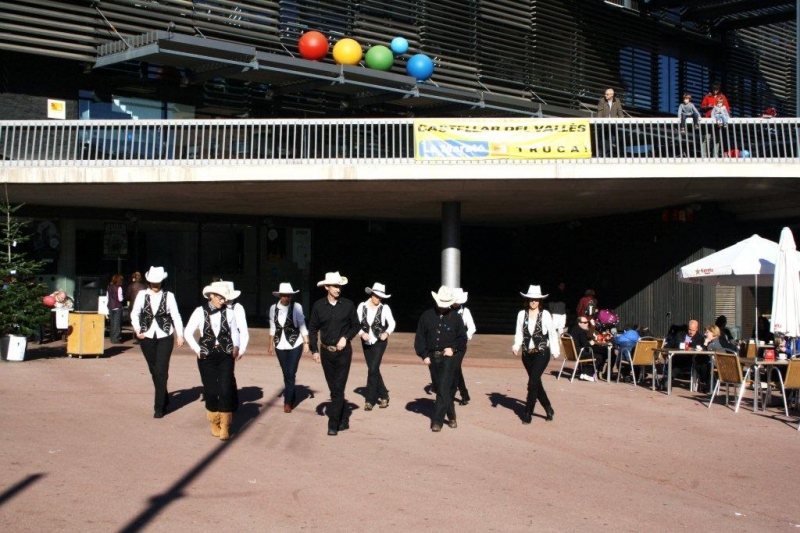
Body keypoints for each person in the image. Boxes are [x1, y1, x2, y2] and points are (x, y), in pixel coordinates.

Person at [184, 281, 241, 440]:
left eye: (225, 298)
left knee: (225, 387)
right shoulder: (199, 312)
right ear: (211, 296)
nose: (223, 301)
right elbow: (188, 332)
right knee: (210, 389)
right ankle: (214, 422)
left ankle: (225, 425)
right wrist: (197, 349)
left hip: (225, 354)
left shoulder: (230, 312)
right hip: (206, 355)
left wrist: (236, 346)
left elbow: (235, 332)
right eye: (220, 298)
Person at [308, 271, 360, 436]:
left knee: (338, 387)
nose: (339, 289)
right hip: (325, 352)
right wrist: (314, 350)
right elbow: (313, 328)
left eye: (340, 286)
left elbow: (356, 326)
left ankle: (333, 423)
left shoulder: (348, 305)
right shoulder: (318, 306)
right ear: (327, 288)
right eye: (336, 286)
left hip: (344, 353)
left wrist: (346, 338)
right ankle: (344, 417)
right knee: (334, 388)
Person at [130, 266, 185, 418]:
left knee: (161, 370)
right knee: (154, 370)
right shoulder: (142, 295)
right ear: (149, 282)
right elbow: (135, 313)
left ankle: (158, 407)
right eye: (153, 282)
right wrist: (137, 329)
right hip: (146, 336)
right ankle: (164, 396)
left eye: (158, 282)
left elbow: (176, 315)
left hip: (165, 336)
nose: (155, 285)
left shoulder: (169, 296)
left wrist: (180, 334)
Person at [414, 285, 467, 432]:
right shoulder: (427, 315)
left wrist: (453, 348)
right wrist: (423, 355)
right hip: (432, 357)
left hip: (449, 358)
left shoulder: (456, 318)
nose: (442, 307)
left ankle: (437, 421)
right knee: (440, 389)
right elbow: (420, 337)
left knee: (443, 387)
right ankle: (451, 416)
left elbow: (462, 338)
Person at [512, 285, 560, 425]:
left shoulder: (544, 314)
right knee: (536, 383)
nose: (533, 302)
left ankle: (528, 412)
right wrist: (516, 346)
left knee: (532, 382)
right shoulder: (522, 314)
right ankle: (548, 408)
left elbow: (552, 333)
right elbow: (519, 333)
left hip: (541, 353)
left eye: (536, 299)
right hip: (527, 353)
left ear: (540, 301)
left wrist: (555, 350)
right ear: (527, 300)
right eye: (531, 299)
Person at [268, 282, 310, 413]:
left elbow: (302, 324)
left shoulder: (297, 307)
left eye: (289, 296)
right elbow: (272, 326)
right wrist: (270, 344)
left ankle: (288, 401)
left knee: (291, 372)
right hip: (280, 344)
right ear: (280, 296)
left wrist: (306, 342)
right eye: (285, 295)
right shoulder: (273, 308)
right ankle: (292, 394)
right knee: (286, 373)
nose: (287, 298)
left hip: (295, 343)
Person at [356, 282, 396, 411]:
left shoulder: (385, 308)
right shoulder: (361, 306)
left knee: (372, 369)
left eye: (381, 297)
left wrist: (387, 333)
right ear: (372, 294)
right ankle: (384, 395)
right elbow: (356, 323)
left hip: (380, 342)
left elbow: (392, 323)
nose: (379, 298)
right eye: (377, 296)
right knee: (374, 370)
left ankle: (369, 400)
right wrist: (361, 333)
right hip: (366, 342)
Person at [452, 288, 476, 405]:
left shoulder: (465, 311)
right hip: (448, 344)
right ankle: (464, 394)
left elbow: (472, 328)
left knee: (455, 367)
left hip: (460, 345)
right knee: (454, 369)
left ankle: (454, 393)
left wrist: (464, 337)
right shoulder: (447, 310)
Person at [569, 314, 597, 381]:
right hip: (578, 354)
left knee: (591, 353)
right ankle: (587, 374)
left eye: (587, 322)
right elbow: (586, 345)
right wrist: (592, 342)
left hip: (571, 353)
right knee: (598, 356)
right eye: (585, 322)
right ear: (579, 323)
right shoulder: (580, 331)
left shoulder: (573, 329)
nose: (587, 324)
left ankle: (583, 372)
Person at [105, 274, 124, 344]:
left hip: (110, 306)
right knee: (117, 323)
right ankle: (116, 339)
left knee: (112, 323)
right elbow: (120, 299)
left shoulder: (109, 287)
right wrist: (123, 299)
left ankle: (112, 338)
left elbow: (107, 296)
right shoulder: (119, 288)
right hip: (117, 307)